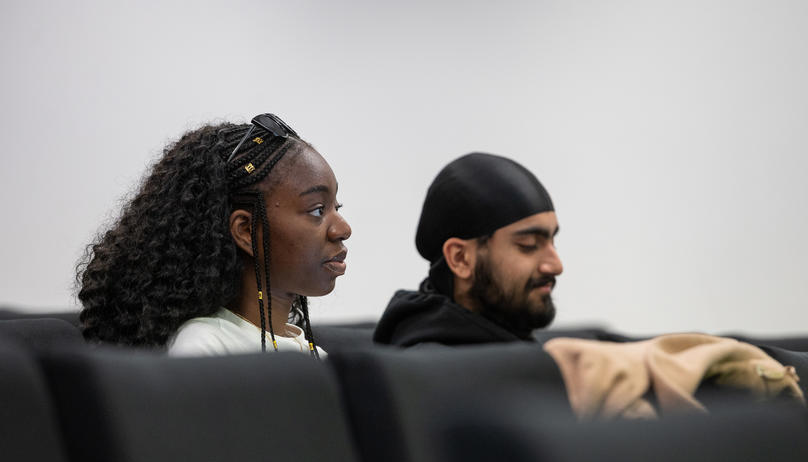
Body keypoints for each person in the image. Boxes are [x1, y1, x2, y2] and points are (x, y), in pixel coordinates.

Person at [77, 113, 351, 357]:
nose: (343, 229)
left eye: (336, 208)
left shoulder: (316, 356)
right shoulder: (206, 349)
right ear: (245, 231)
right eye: (317, 210)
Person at [373, 152, 562, 347]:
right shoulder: (428, 372)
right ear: (460, 258)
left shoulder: (522, 356)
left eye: (552, 241)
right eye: (528, 245)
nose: (556, 266)